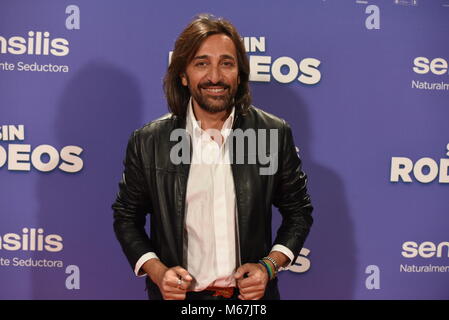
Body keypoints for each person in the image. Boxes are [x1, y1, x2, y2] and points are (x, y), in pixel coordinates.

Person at [112, 14, 313, 300]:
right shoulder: (149, 141)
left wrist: (268, 267)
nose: (215, 77)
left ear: (240, 74)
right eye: (201, 63)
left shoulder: (273, 134)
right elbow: (126, 217)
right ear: (183, 75)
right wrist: (158, 273)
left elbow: (299, 212)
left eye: (226, 64)